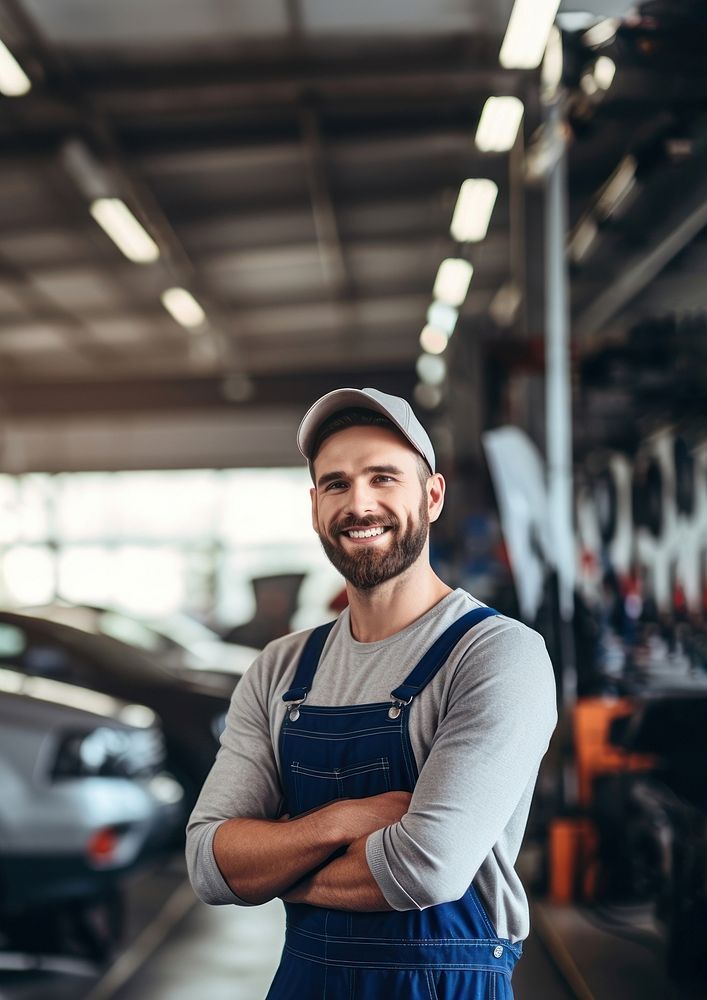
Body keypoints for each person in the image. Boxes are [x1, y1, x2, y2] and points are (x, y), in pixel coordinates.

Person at [186, 386, 557, 999]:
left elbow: (426, 867)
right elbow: (208, 860)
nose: (360, 504)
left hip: (441, 985)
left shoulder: (495, 654)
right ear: (314, 506)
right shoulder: (280, 668)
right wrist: (345, 820)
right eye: (336, 484)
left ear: (432, 496)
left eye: (384, 478)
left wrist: (272, 866)